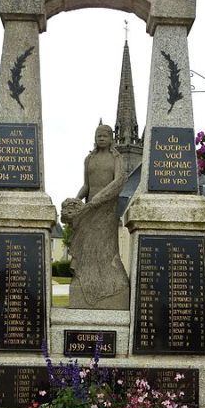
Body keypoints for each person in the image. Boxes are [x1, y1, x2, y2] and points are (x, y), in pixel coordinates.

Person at [61, 124, 129, 310]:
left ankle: (109, 285)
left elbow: (119, 181)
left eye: (105, 135)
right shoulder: (89, 159)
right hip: (90, 208)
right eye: (98, 135)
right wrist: (75, 201)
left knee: (104, 248)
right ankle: (86, 281)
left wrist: (101, 197)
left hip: (107, 209)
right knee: (84, 244)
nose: (101, 138)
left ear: (111, 138)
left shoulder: (116, 158)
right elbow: (86, 186)